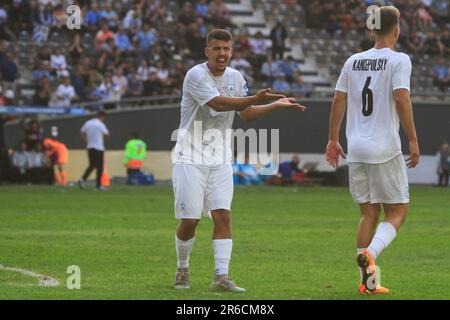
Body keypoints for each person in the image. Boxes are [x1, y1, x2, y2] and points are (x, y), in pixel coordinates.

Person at [171, 29, 305, 292]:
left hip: (220, 157)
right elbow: (219, 104)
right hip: (190, 156)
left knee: (223, 216)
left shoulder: (236, 77)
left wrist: (274, 106)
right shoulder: (196, 75)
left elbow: (246, 114)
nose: (222, 54)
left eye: (226, 49)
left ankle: (221, 277)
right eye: (217, 48)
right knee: (191, 220)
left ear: (232, 51)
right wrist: (254, 98)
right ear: (207, 51)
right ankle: (182, 269)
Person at [326, 6, 420, 294]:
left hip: (356, 148)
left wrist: (333, 139)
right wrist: (413, 140)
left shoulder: (353, 61)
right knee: (398, 210)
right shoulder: (399, 60)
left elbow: (338, 99)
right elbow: (401, 98)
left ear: (372, 29)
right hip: (384, 148)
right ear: (397, 28)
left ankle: (368, 283)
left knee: (368, 214)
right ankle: (372, 254)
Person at [78, 111, 110, 191]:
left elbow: (81, 132)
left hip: (90, 147)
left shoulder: (88, 123)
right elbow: (107, 134)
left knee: (92, 165)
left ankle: (82, 179)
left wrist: (86, 140)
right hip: (99, 148)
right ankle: (98, 186)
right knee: (100, 167)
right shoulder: (100, 124)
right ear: (102, 117)